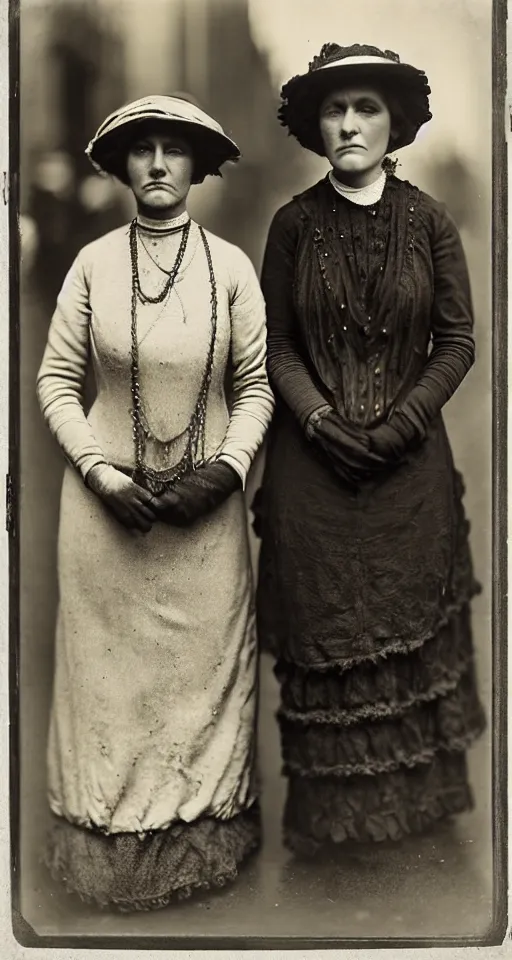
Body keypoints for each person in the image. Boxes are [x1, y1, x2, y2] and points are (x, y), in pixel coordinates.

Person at [37, 95, 274, 909]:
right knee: (110, 690)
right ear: (123, 165)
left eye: (176, 151)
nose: (160, 165)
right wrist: (104, 476)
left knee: (202, 685)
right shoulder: (94, 265)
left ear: (201, 167)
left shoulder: (233, 268)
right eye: (143, 151)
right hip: (105, 521)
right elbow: (56, 383)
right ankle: (104, 853)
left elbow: (255, 387)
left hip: (206, 522)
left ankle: (204, 840)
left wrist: (229, 468)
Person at [254, 44, 486, 858]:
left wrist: (403, 421)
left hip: (410, 470)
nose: (349, 124)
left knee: (410, 626)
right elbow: (276, 346)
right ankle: (335, 826)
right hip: (311, 479)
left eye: (366, 110)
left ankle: (413, 821)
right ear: (316, 127)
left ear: (394, 125)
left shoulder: (429, 224)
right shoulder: (292, 224)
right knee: (328, 641)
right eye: (334, 111)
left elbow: (457, 339)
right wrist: (318, 419)